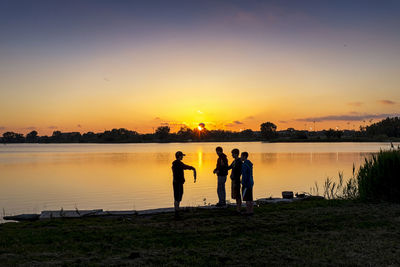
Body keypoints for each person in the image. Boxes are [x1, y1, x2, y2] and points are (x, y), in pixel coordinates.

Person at [172, 151, 196, 218]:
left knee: (177, 197)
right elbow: (185, 166)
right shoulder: (178, 163)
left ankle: (177, 212)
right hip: (178, 183)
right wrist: (192, 168)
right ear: (179, 156)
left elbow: (184, 167)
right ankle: (176, 214)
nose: (182, 157)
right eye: (182, 155)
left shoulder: (176, 163)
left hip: (177, 182)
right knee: (177, 197)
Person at [228, 148, 242, 213]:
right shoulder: (234, 161)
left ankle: (239, 209)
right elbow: (229, 167)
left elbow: (239, 171)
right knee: (235, 194)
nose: (232, 155)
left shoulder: (239, 161)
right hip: (233, 180)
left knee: (238, 194)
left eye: (232, 154)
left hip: (237, 180)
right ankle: (237, 208)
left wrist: (235, 176)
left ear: (236, 154)